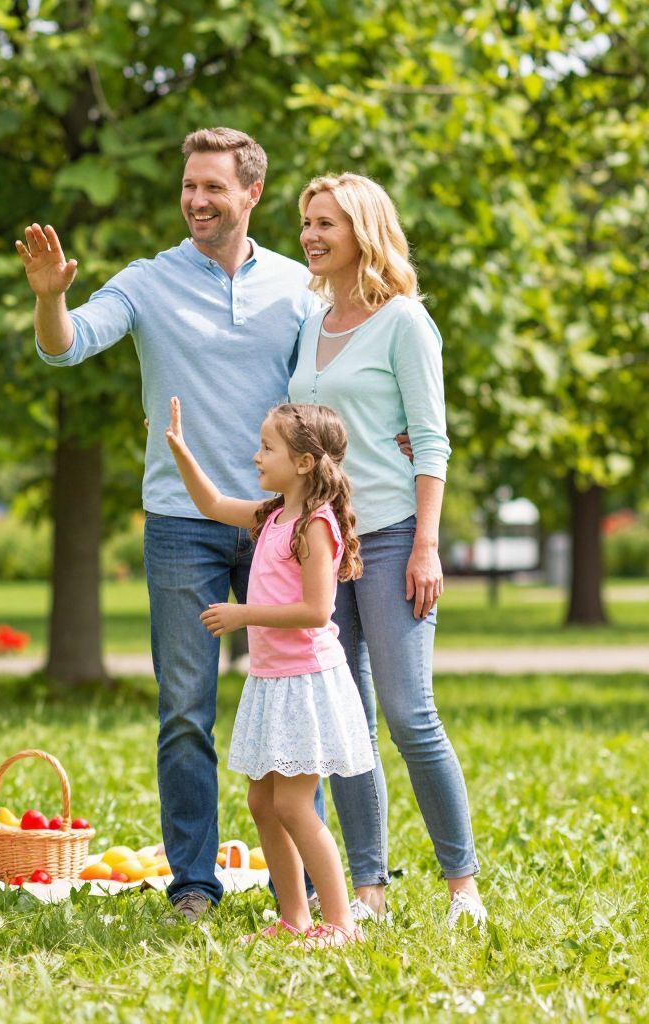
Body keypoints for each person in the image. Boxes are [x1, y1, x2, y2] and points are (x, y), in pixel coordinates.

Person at [18, 127, 317, 921]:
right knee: (186, 708)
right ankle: (194, 881)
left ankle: (323, 879)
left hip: (276, 526)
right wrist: (51, 297)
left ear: (251, 193)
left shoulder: (296, 288)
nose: (196, 200)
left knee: (306, 698)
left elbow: (327, 395)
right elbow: (66, 347)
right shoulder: (147, 283)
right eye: (189, 186)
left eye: (212, 187)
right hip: (181, 523)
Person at [290, 172, 484, 928]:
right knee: (345, 720)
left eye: (326, 223)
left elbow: (430, 438)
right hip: (326, 540)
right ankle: (366, 888)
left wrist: (427, 544)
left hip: (398, 531)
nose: (311, 235)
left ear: (363, 230)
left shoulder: (405, 321)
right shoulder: (311, 319)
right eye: (307, 222)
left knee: (410, 714)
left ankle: (461, 882)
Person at [165, 397, 373, 947]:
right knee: (263, 803)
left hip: (306, 682)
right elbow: (210, 504)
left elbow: (317, 611)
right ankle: (295, 918)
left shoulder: (315, 526)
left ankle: (341, 925)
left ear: (304, 462)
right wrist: (180, 452)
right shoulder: (271, 516)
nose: (256, 456)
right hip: (272, 680)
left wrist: (243, 615)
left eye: (267, 447)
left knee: (292, 804)